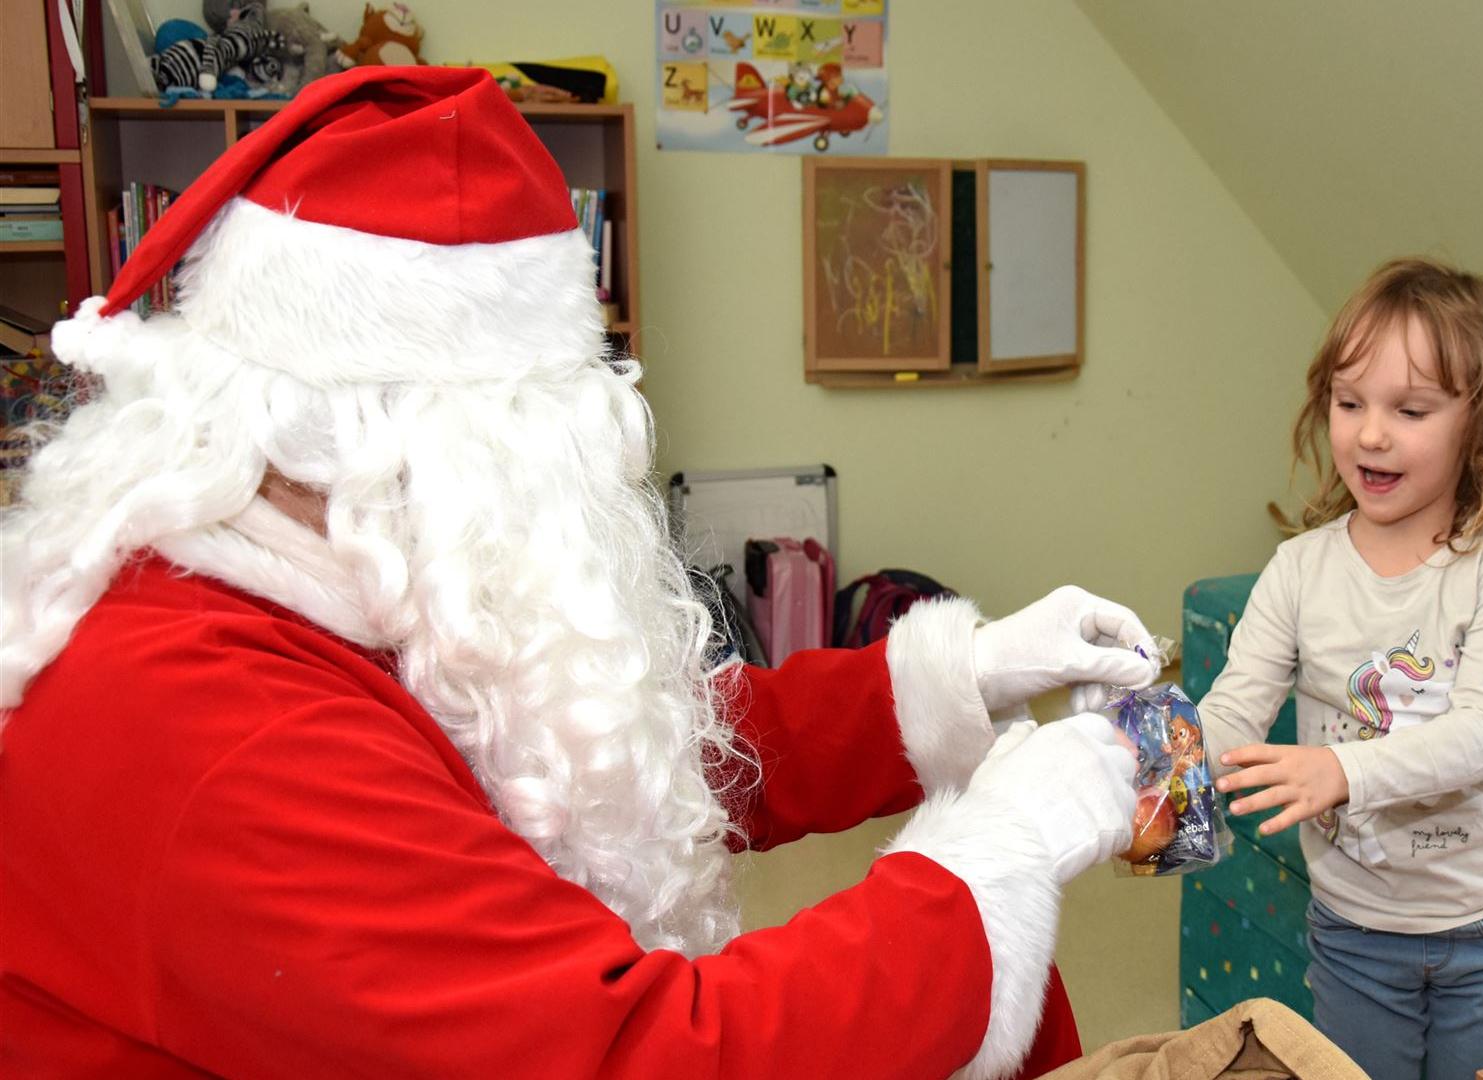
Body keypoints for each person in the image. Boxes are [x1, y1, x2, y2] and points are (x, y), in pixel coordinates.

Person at [0, 67, 1161, 1079]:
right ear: (444, 442)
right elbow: (639, 1057)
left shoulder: (306, 575)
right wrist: (988, 863)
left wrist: (969, 672)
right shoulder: (220, 728)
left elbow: (615, 752)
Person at [1196, 258, 1483, 1080]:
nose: (1370, 433)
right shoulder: (1298, 570)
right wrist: (1152, 758)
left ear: (1478, 424)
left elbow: (1478, 735)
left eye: (1410, 410)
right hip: (1356, 927)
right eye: (1349, 402)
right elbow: (1234, 711)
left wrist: (1340, 768)